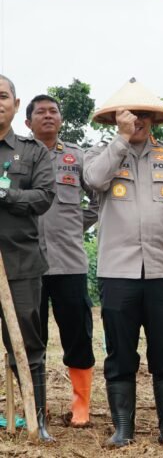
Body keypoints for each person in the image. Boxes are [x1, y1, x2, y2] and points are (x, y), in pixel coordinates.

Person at [84, 78, 163, 447]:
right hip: (117, 272)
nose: (135, 120)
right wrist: (120, 140)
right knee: (120, 352)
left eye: (141, 114)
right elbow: (93, 181)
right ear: (115, 119)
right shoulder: (100, 154)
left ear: (153, 118)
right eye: (127, 114)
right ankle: (122, 429)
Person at [25, 94, 97, 427]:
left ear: (61, 119)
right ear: (28, 122)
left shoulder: (76, 157)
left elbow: (98, 199)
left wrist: (73, 226)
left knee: (77, 334)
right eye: (40, 112)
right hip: (25, 264)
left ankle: (80, 406)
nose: (48, 116)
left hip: (69, 261)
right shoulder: (16, 156)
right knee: (28, 338)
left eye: (54, 111)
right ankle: (34, 405)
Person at [0, 75, 55, 441]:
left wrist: (6, 196)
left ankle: (37, 422)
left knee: (26, 344)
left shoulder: (33, 151)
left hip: (19, 262)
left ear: (16, 105)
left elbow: (45, 196)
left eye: (3, 96)